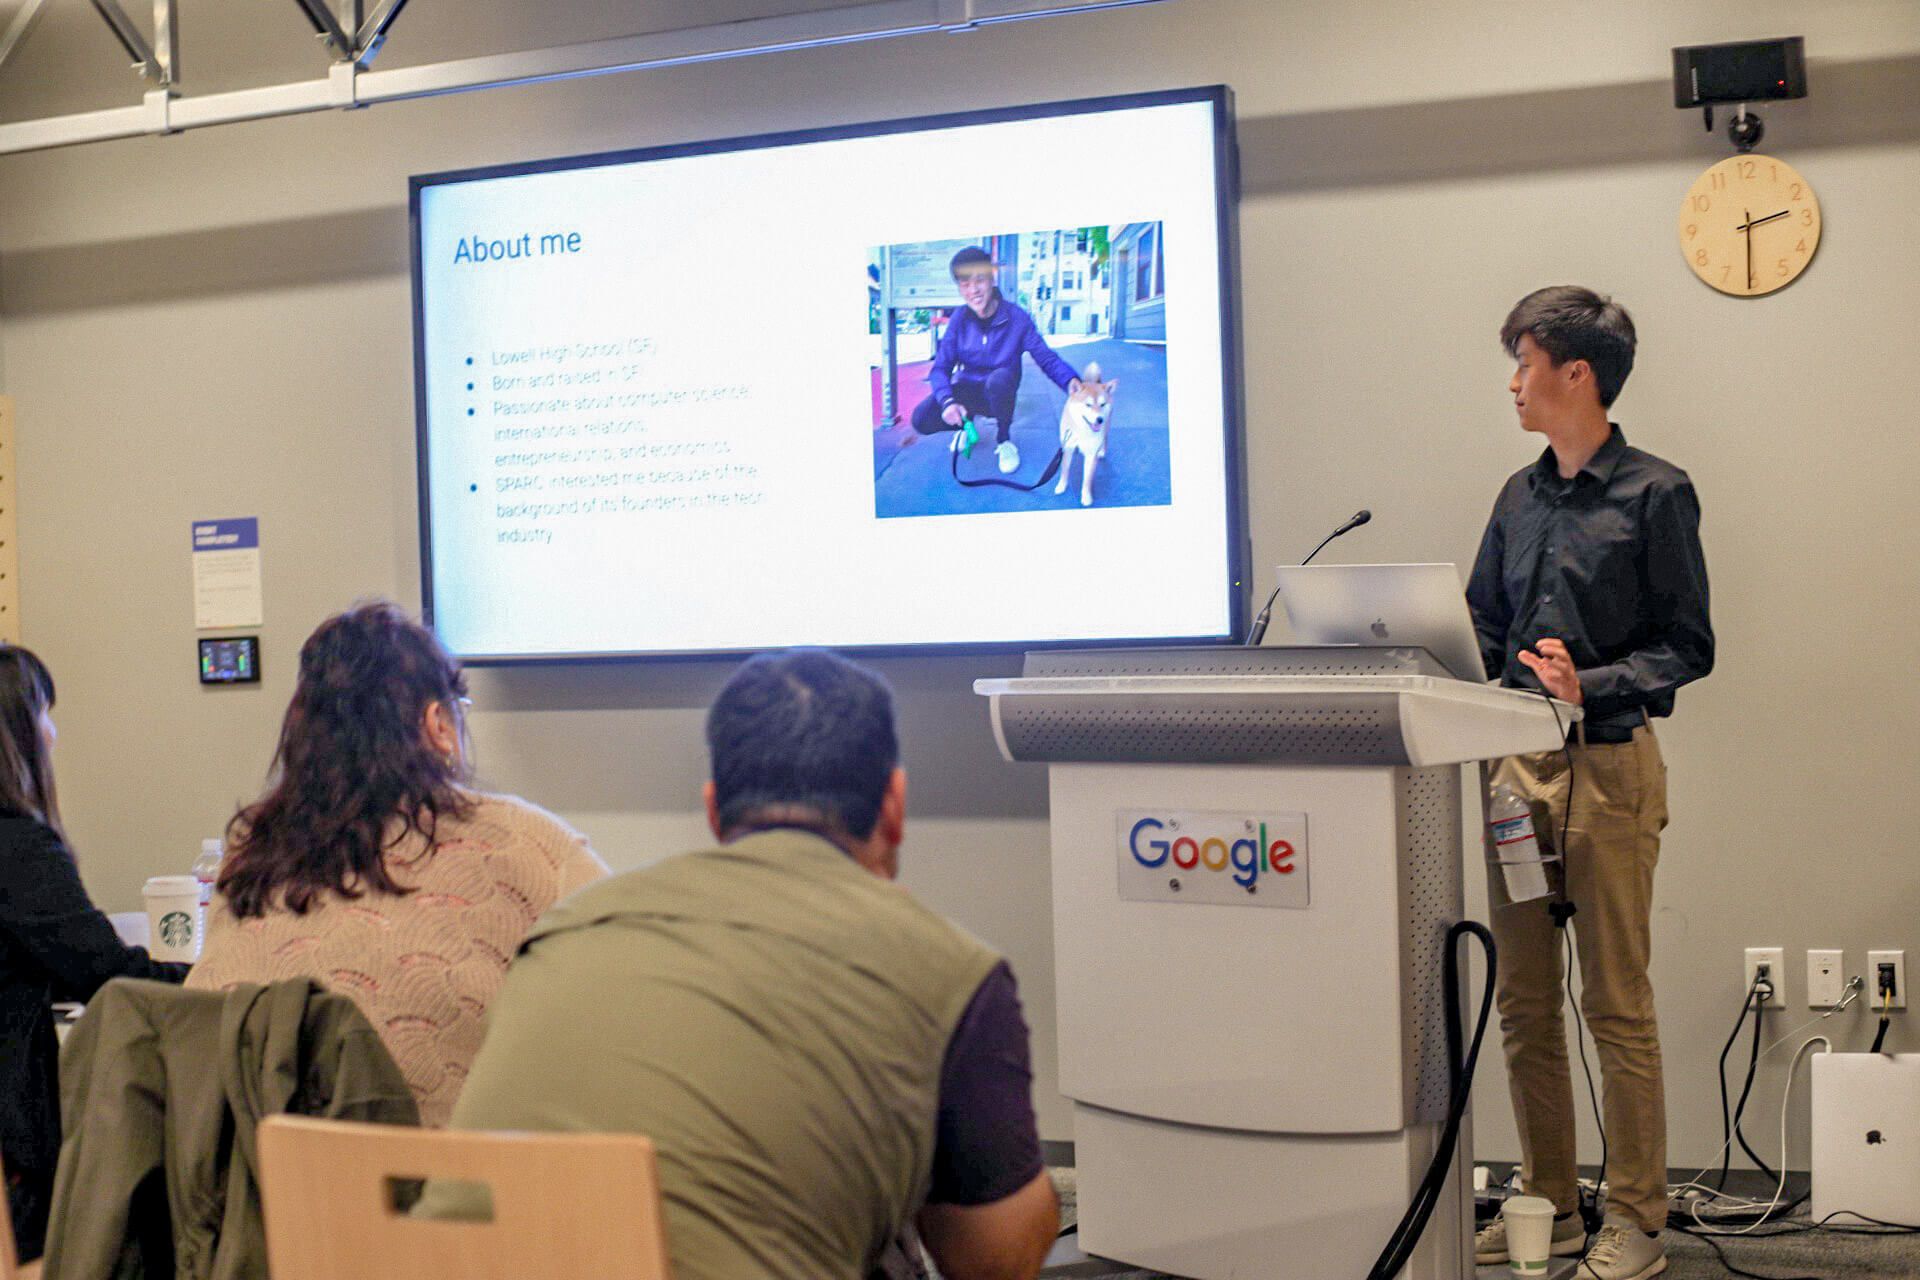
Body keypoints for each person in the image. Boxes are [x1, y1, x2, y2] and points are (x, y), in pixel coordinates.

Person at [439, 649, 1059, 1280]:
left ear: (714, 812)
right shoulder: (946, 970)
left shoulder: (565, 929)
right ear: (894, 805)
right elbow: (995, 1260)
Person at [1466, 287, 1713, 1280]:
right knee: (1525, 998)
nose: (1513, 380)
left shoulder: (1658, 492)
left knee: (1614, 999)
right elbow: (1483, 621)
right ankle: (1552, 1203)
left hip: (1610, 767)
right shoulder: (1517, 497)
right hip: (1517, 775)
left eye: (1524, 360)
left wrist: (1592, 681)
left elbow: (1689, 646)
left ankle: (1639, 1220)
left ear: (1578, 373)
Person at [188, 602, 606, 1127]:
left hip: (257, 1197)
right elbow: (629, 1006)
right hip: (447, 1196)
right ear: (438, 724)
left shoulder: (252, 850)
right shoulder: (531, 848)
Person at [0, 645, 190, 1262]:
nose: (54, 735)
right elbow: (106, 974)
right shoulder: (20, 849)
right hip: (18, 1165)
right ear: (19, 732)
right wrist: (216, 976)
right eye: (45, 714)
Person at [910, 245, 1084, 475]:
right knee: (921, 419)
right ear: (960, 289)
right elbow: (940, 368)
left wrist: (1069, 379)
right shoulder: (959, 319)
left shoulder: (1017, 317)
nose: (974, 290)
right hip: (967, 389)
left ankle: (1004, 441)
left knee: (1000, 378)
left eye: (979, 280)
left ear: (992, 278)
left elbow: (1046, 358)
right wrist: (947, 402)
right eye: (965, 284)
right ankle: (965, 425)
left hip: (999, 394)